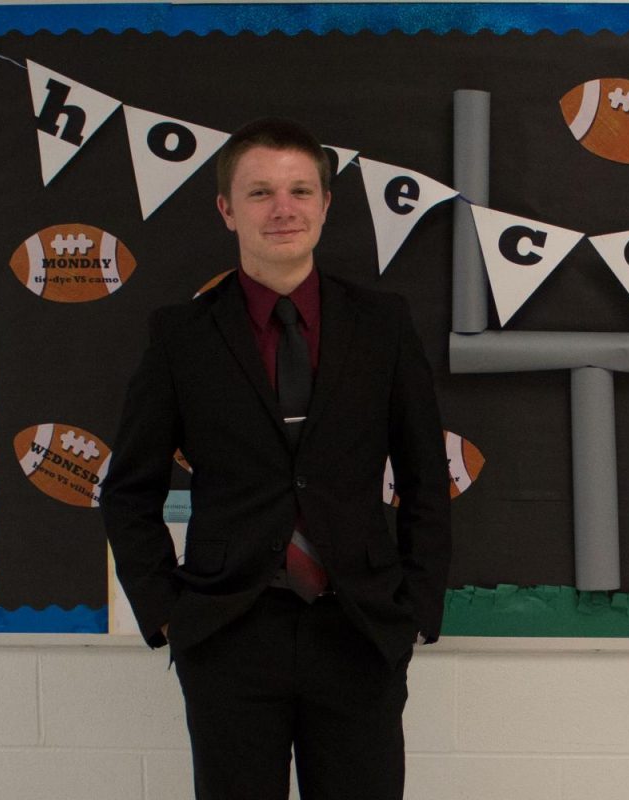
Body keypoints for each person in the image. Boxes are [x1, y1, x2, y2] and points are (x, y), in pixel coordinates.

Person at [101, 117, 451, 800]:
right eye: (260, 193)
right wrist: (172, 615)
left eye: (300, 190)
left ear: (326, 204)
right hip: (230, 634)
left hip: (358, 629)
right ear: (227, 209)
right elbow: (128, 492)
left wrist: (413, 608)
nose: (283, 209)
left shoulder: (384, 325)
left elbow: (425, 480)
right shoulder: (181, 337)